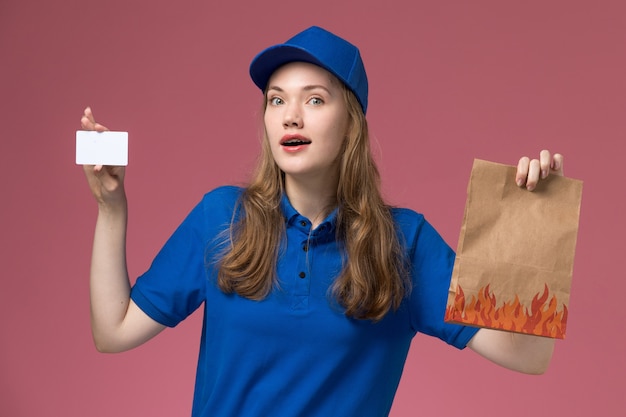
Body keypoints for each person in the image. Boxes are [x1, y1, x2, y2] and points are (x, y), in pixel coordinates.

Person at [81, 26, 562, 417]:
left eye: (314, 100)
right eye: (276, 100)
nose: (291, 116)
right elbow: (114, 331)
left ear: (351, 121)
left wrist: (532, 226)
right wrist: (111, 207)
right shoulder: (220, 217)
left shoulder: (405, 241)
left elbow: (528, 355)